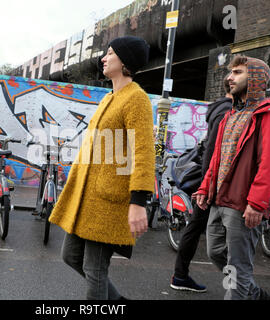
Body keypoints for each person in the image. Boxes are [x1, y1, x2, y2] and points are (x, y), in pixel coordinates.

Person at [49, 36, 155, 300]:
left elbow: (142, 151)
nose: (103, 58)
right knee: (70, 256)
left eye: (109, 53)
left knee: (94, 269)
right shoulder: (110, 97)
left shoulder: (136, 99)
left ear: (125, 61)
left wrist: (138, 201)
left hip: (109, 200)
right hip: (87, 198)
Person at [193, 55, 270, 300]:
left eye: (237, 73)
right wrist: (205, 188)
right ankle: (252, 293)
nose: (229, 77)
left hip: (243, 203)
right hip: (219, 199)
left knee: (237, 266)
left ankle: (241, 291)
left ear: (255, 78)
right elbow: (217, 157)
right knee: (215, 252)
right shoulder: (230, 115)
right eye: (230, 72)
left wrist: (257, 203)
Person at [170, 77, 232, 292]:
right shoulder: (227, 111)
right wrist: (207, 186)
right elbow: (214, 151)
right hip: (217, 182)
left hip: (212, 181)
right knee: (226, 238)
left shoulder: (217, 108)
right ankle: (235, 285)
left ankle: (180, 276)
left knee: (196, 227)